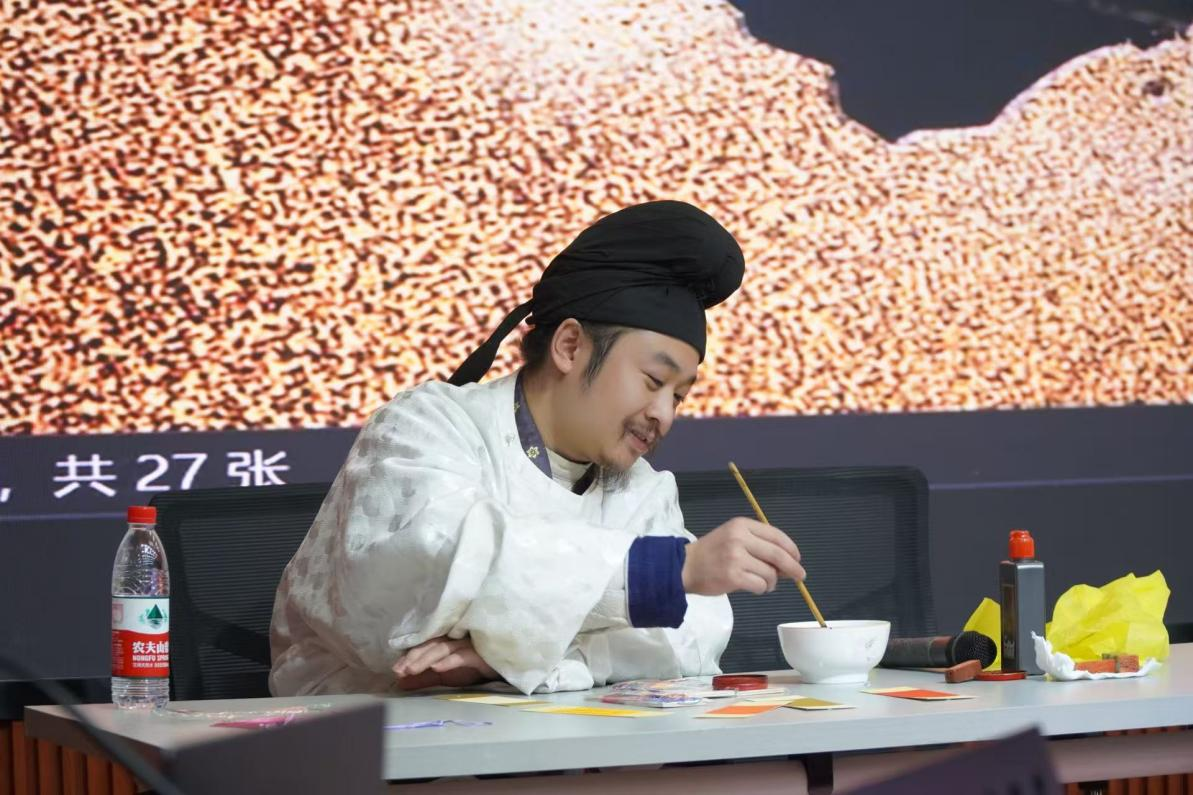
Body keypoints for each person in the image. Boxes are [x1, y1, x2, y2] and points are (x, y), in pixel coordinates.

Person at [269, 201, 806, 696]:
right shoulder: (427, 425)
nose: (664, 414)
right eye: (652, 381)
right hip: (362, 737)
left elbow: (692, 636)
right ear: (570, 346)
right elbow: (436, 561)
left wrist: (507, 660)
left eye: (679, 396)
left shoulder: (641, 489)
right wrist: (663, 573)